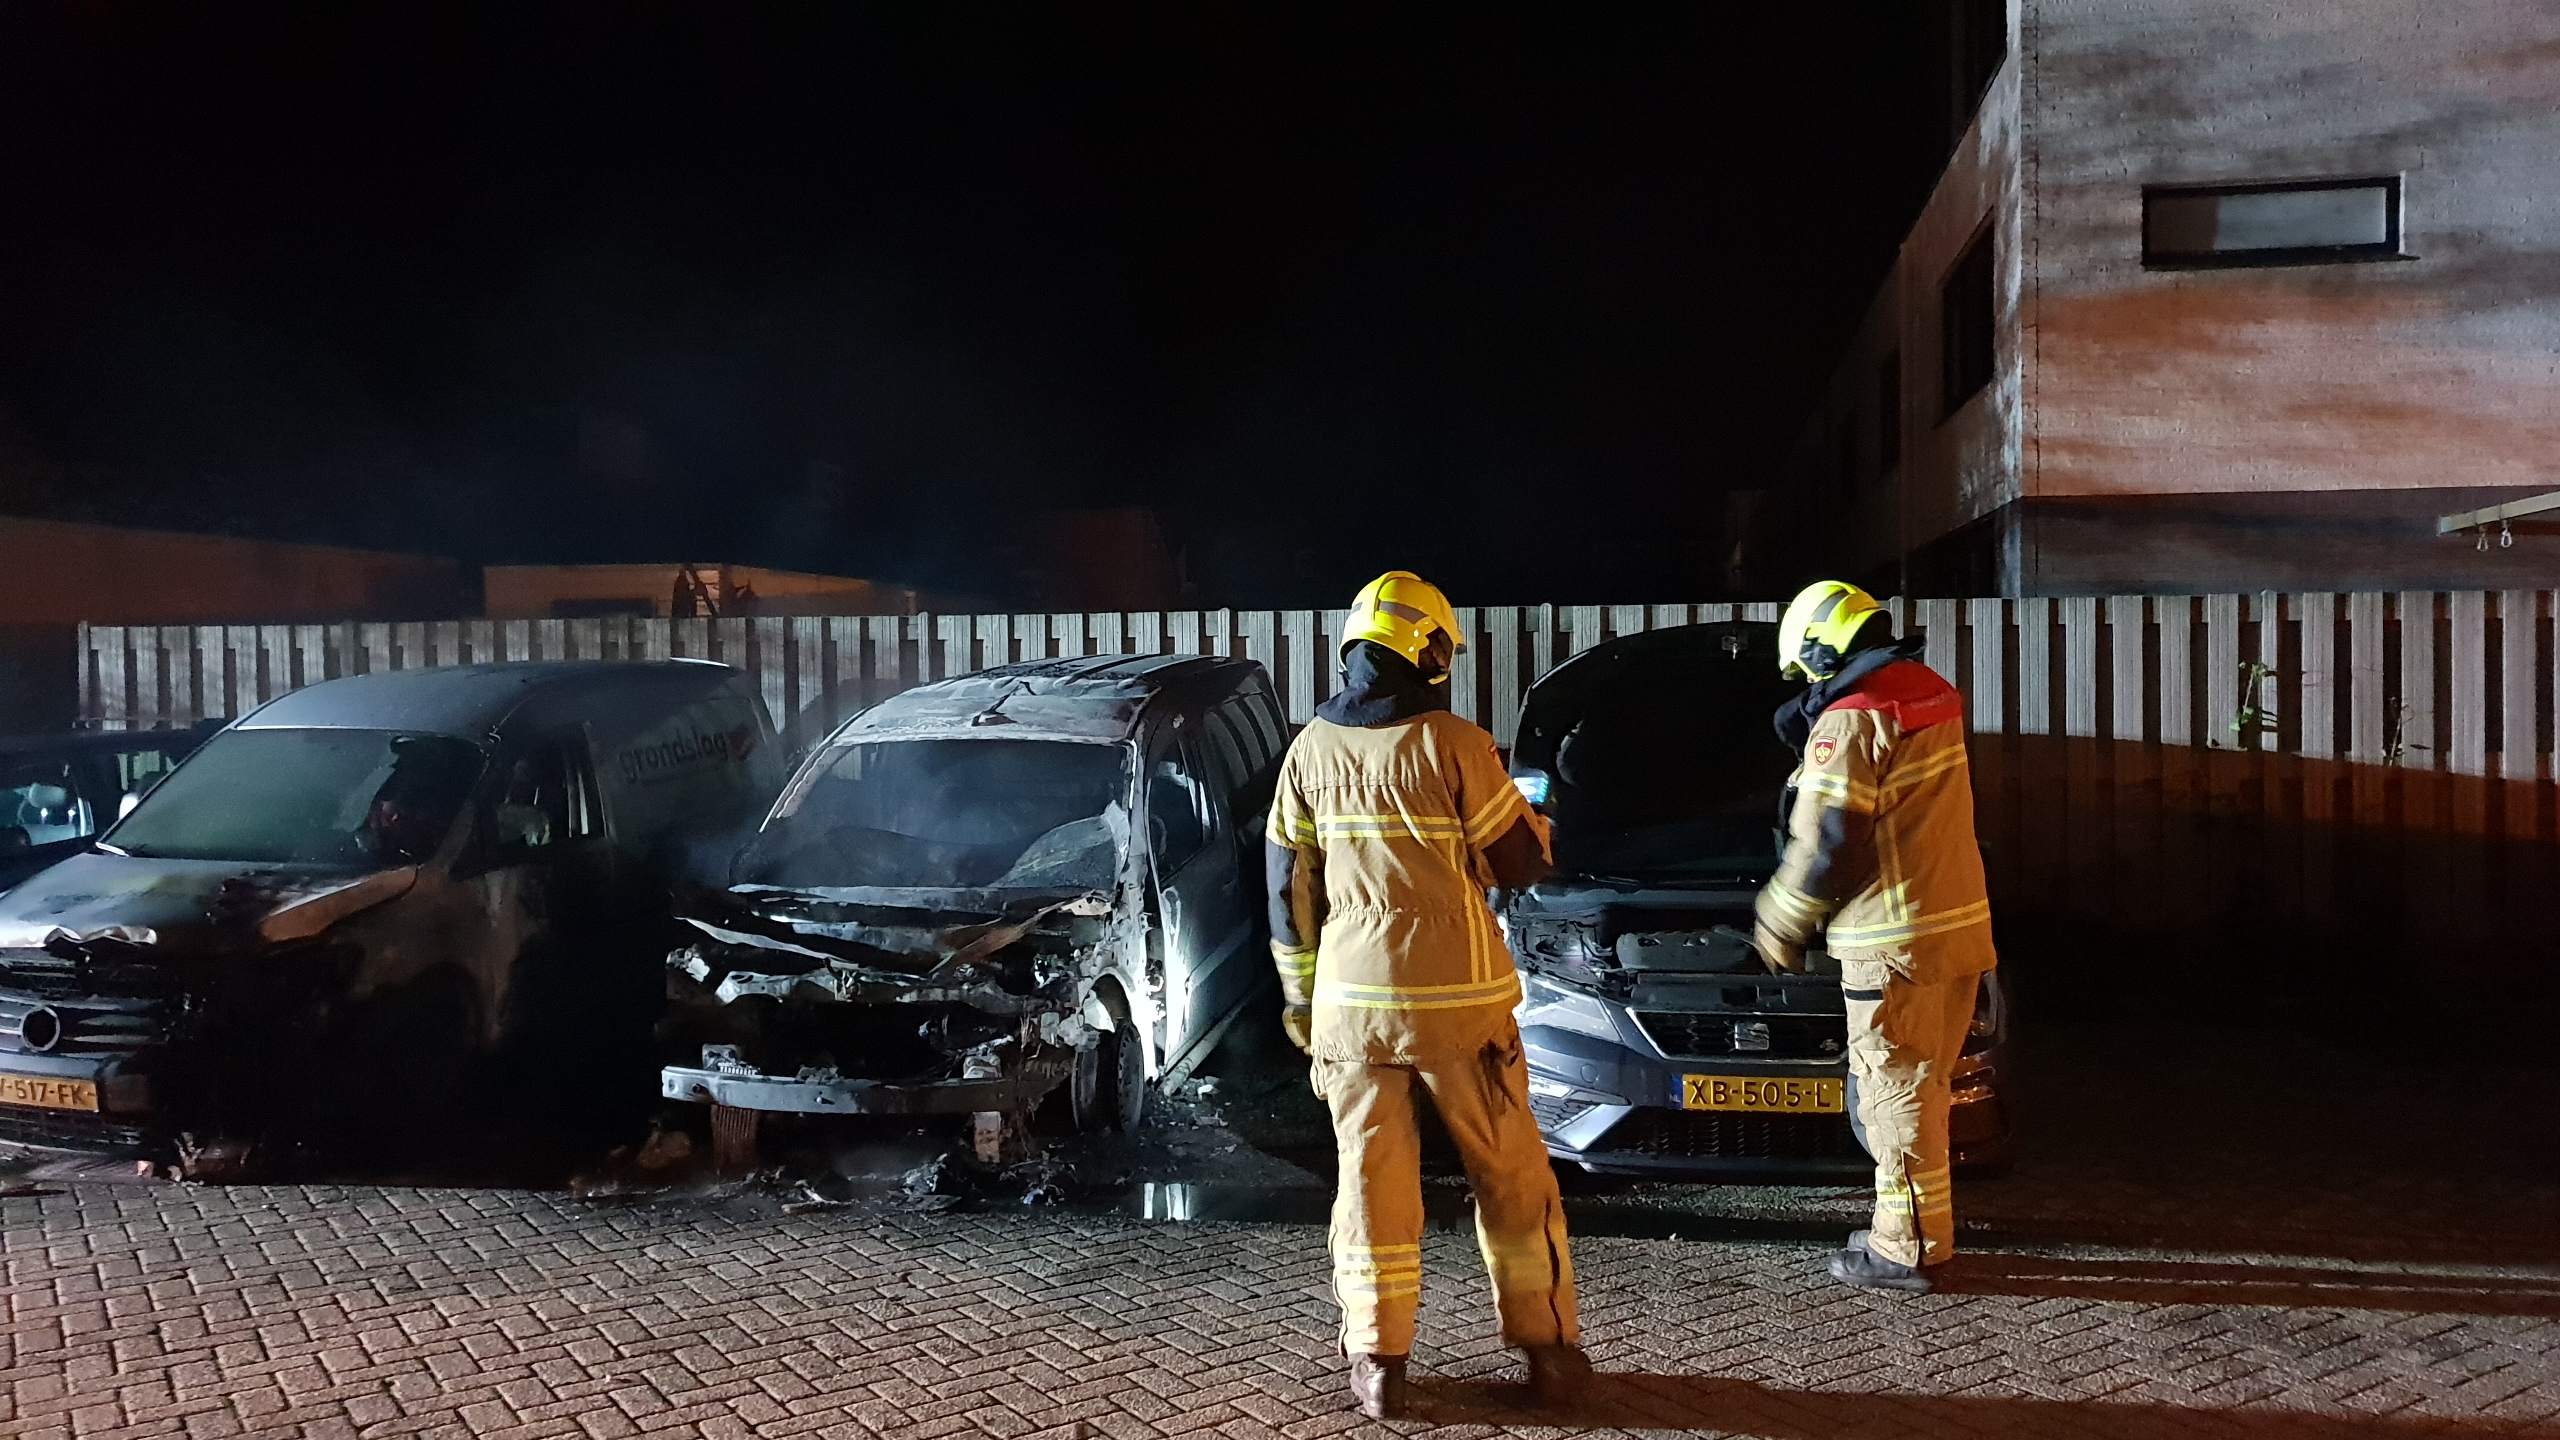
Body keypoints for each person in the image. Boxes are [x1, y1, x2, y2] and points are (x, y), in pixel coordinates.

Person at [1265, 570, 1590, 1420]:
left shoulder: (1307, 752)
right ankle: (1550, 1355)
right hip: (1462, 1009)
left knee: (1371, 1186)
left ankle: (1378, 1365)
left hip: (1350, 1010)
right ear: (1430, 650)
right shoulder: (1455, 742)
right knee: (1513, 1181)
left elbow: (1284, 889)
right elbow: (1519, 863)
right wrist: (1536, 818)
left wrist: (1302, 1002)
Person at [1754, 580, 1998, 1293]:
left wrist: (1781, 919)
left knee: (1890, 1090)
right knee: (1922, 1089)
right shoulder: (1926, 694)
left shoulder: (1852, 721)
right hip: (1952, 929)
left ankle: (1906, 1248)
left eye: (1808, 672)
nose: (1810, 686)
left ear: (1818, 650)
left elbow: (1831, 839)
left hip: (1892, 938)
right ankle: (1920, 1232)